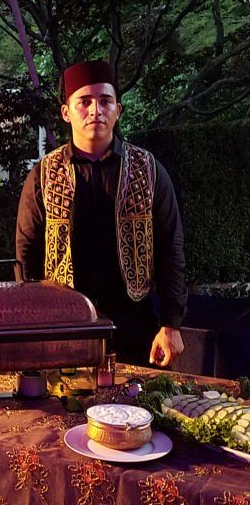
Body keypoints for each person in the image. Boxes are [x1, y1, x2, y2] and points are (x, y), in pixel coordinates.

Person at [15, 60, 187, 367]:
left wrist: (171, 323)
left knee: (142, 411)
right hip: (64, 324)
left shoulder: (146, 169)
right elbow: (26, 255)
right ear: (66, 112)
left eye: (105, 101)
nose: (96, 110)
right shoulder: (43, 176)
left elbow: (170, 247)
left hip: (136, 326)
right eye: (84, 101)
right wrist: (33, 323)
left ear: (118, 110)